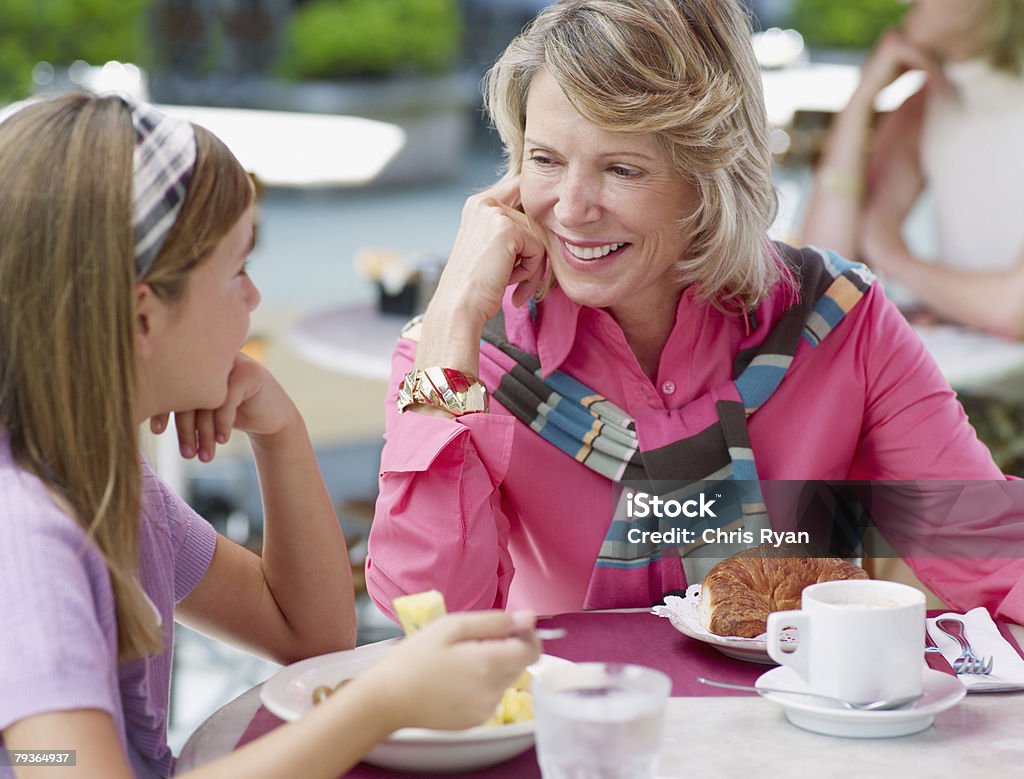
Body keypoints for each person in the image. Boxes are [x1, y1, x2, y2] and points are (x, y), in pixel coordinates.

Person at [365, 0, 1024, 625]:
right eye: (545, 160)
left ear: (711, 176)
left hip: (798, 735)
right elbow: (428, 614)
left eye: (620, 168)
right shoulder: (463, 360)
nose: (570, 207)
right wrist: (451, 316)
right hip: (575, 728)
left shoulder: (840, 323)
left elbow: (994, 553)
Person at [0, 93, 539, 779]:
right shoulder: (26, 532)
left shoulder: (112, 487)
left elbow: (307, 633)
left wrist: (280, 432)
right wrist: (382, 702)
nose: (255, 300)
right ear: (142, 318)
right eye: (238, 272)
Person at [801, 0, 1024, 337]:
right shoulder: (927, 104)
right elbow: (825, 271)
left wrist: (896, 260)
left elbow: (1014, 310)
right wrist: (861, 98)